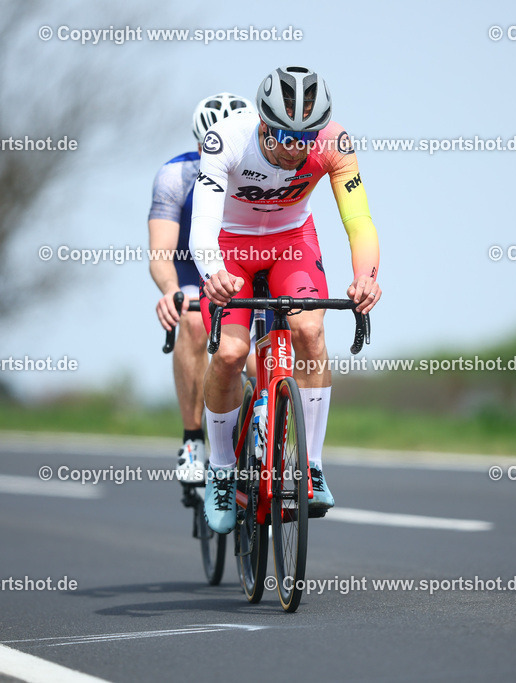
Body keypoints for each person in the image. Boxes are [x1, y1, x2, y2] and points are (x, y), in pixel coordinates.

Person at [190, 66, 381, 533]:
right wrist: (212, 272)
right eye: (284, 137)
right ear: (263, 123)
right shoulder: (227, 140)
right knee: (232, 352)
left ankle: (311, 466)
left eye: (306, 138)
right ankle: (219, 468)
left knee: (311, 332)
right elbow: (202, 224)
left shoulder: (335, 144)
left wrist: (366, 278)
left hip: (292, 242)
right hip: (230, 248)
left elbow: (358, 220)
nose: (296, 148)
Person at [148, 92, 253, 483]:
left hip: (245, 272)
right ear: (199, 144)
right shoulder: (176, 175)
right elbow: (160, 253)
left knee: (263, 357)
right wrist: (171, 291)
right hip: (194, 274)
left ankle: (263, 430)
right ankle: (193, 438)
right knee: (191, 319)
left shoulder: (264, 172)